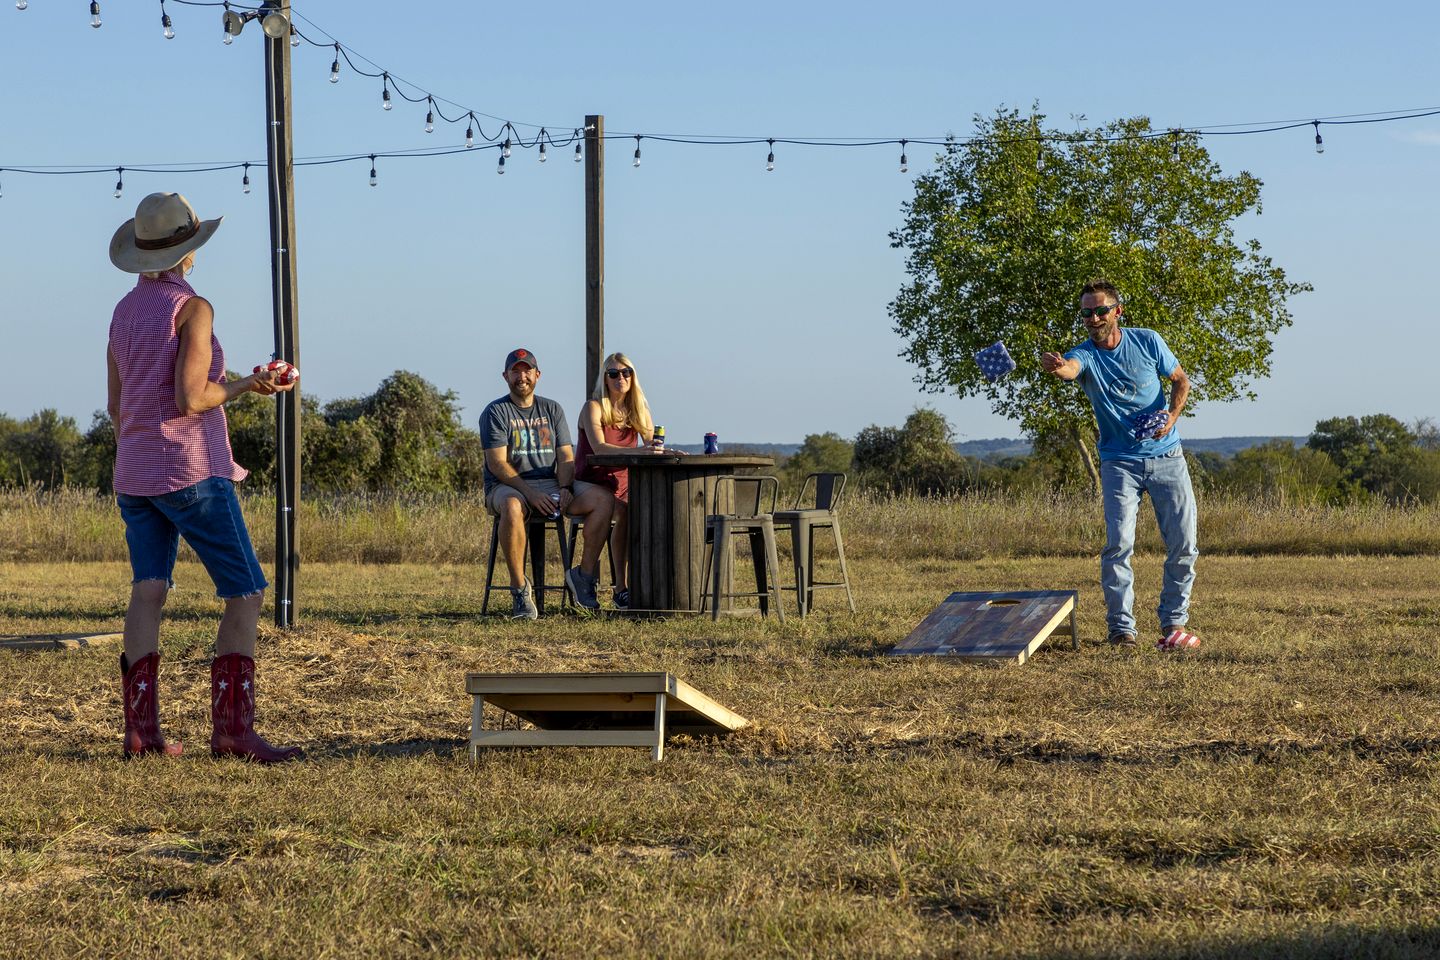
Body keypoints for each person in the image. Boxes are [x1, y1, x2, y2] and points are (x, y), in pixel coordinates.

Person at [107, 191, 301, 762]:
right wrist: (247, 385)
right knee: (245, 592)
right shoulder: (193, 309)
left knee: (149, 590)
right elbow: (192, 397)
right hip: (190, 469)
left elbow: (116, 405)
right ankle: (233, 733)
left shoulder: (123, 312)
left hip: (134, 472)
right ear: (187, 252)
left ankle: (142, 734)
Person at [1041, 279, 1200, 651]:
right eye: (1086, 313)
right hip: (1119, 464)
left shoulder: (1147, 340)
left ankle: (1174, 624)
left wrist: (1171, 418)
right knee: (1118, 545)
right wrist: (1057, 367)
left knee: (1184, 543)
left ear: (1117, 312)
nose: (1093, 318)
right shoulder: (1084, 354)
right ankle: (1121, 630)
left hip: (1167, 457)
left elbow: (1181, 381)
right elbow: (1071, 369)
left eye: (1100, 311)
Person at [480, 348, 615, 617]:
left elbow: (566, 457)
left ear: (537, 375)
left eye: (527, 370)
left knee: (604, 499)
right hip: (507, 487)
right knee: (512, 505)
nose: (522, 376)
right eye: (515, 371)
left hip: (552, 484)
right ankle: (520, 590)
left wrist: (565, 488)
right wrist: (529, 493)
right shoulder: (496, 411)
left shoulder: (552, 409)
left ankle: (583, 577)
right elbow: (497, 464)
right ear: (505, 376)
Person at [574, 351, 658, 609]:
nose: (620, 377)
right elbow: (599, 449)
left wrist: (664, 452)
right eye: (613, 373)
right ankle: (620, 588)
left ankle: (649, 583)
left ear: (633, 378)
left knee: (647, 509)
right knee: (620, 510)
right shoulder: (594, 407)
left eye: (626, 372)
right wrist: (641, 451)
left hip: (622, 484)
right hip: (589, 483)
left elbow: (652, 444)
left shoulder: (638, 409)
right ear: (605, 379)